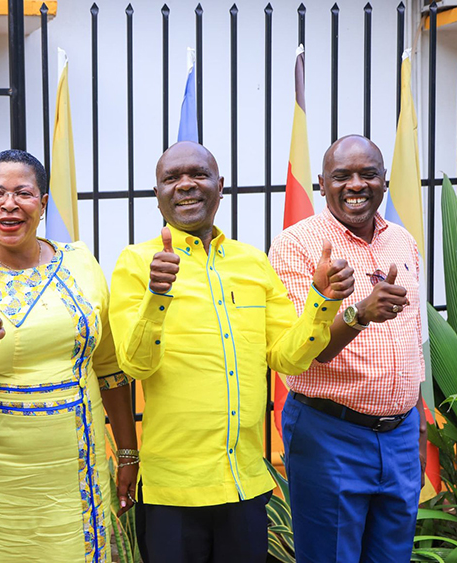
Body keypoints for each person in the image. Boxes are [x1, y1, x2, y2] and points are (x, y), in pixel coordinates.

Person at [108, 141, 355, 562]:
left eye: (198, 175)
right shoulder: (135, 263)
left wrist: (322, 299)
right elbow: (134, 364)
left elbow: (287, 358)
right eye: (172, 178)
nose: (186, 185)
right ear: (157, 194)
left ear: (220, 186)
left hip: (244, 483)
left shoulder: (254, 263)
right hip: (174, 491)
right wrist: (156, 296)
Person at [0, 149, 138, 563]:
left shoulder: (81, 264)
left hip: (77, 474)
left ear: (43, 204)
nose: (9, 204)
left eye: (23, 193)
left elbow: (109, 368)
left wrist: (127, 452)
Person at [269, 135, 426, 563]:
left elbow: (414, 334)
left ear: (384, 182)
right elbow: (307, 350)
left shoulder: (404, 242)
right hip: (330, 433)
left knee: (392, 557)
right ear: (322, 184)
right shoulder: (296, 245)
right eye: (342, 176)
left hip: (400, 435)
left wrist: (420, 414)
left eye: (367, 174)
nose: (356, 185)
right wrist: (359, 313)